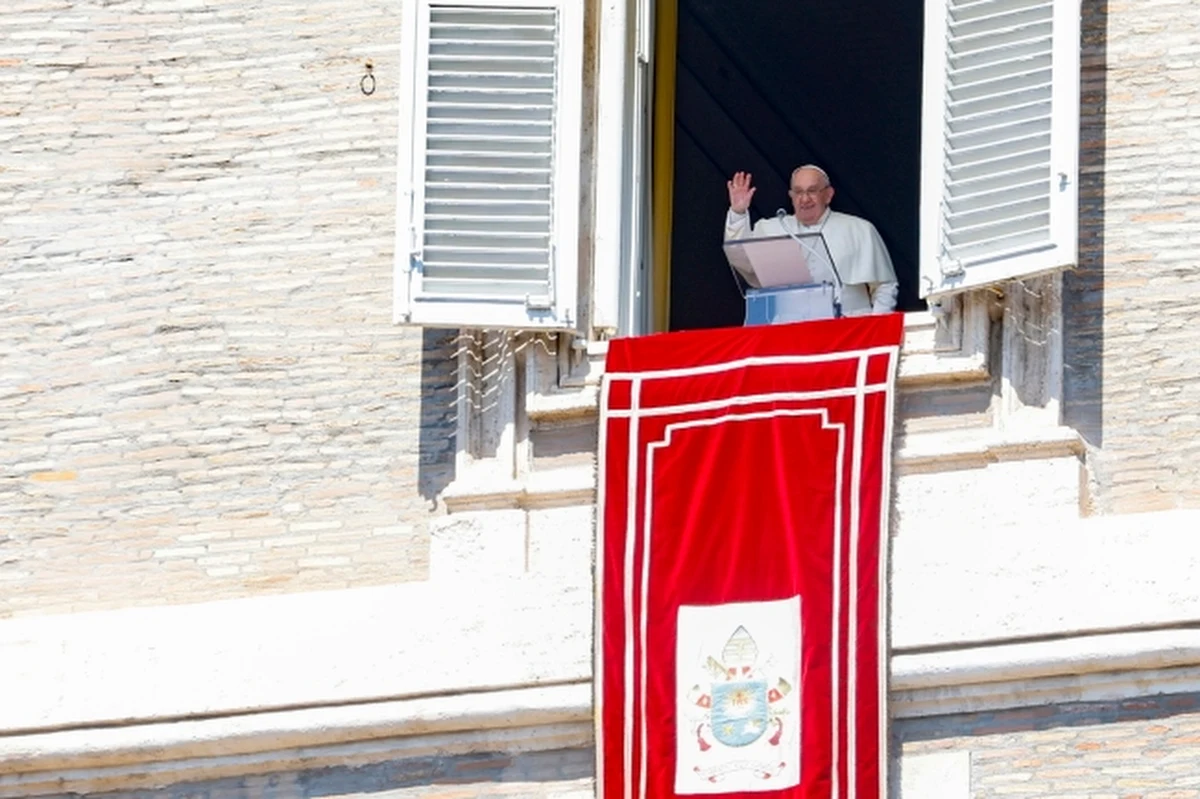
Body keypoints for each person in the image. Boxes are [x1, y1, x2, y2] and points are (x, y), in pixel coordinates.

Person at [724, 165, 898, 315]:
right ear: (791, 196)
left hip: (848, 331)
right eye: (798, 192)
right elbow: (741, 259)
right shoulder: (773, 229)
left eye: (812, 191)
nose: (804, 199)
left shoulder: (859, 229)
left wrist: (876, 326)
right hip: (788, 330)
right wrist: (738, 213)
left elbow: (884, 286)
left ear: (828, 195)